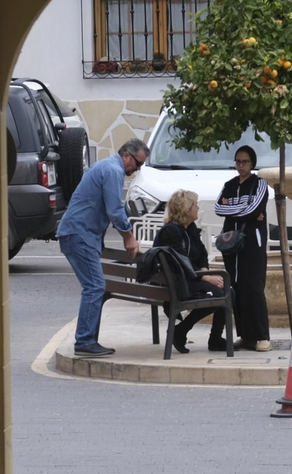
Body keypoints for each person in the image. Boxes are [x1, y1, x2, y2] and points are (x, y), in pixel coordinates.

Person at [57, 138, 148, 356]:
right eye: (137, 164)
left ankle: (88, 340)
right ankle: (85, 342)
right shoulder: (113, 171)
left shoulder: (106, 166)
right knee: (95, 286)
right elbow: (114, 210)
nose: (137, 169)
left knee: (95, 286)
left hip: (77, 234)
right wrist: (129, 237)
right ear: (126, 155)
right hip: (80, 234)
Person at [151, 190, 229, 353]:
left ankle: (211, 338)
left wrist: (204, 271)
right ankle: (182, 331)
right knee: (223, 294)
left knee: (227, 291)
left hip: (187, 279)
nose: (198, 208)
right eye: (195, 205)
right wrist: (206, 277)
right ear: (187, 209)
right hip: (175, 283)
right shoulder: (171, 231)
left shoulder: (190, 228)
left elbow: (201, 253)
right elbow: (180, 262)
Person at [215, 145, 271, 352]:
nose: (240, 165)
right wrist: (245, 210)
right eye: (238, 161)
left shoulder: (260, 184)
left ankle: (262, 336)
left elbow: (256, 207)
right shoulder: (229, 185)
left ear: (252, 163)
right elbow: (219, 208)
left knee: (253, 287)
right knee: (235, 287)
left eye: (245, 162)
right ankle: (245, 336)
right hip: (231, 243)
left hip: (252, 243)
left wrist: (235, 210)